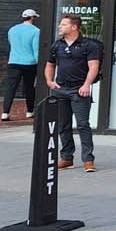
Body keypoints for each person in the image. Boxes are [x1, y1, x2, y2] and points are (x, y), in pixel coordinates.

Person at [44, 13, 103, 172]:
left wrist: (86, 85)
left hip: (79, 90)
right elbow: (50, 65)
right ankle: (67, 157)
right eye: (60, 24)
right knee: (63, 125)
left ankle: (88, 159)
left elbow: (94, 66)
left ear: (74, 27)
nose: (60, 27)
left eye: (63, 24)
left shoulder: (89, 45)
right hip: (60, 89)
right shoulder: (58, 45)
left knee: (83, 124)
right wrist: (50, 81)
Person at [1, 8, 41, 122]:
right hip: (30, 63)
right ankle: (29, 111)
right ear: (32, 18)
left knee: (10, 88)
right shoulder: (36, 31)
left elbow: (11, 44)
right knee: (29, 87)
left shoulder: (12, 29)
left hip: (13, 61)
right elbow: (36, 49)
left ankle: (5, 112)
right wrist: (39, 63)